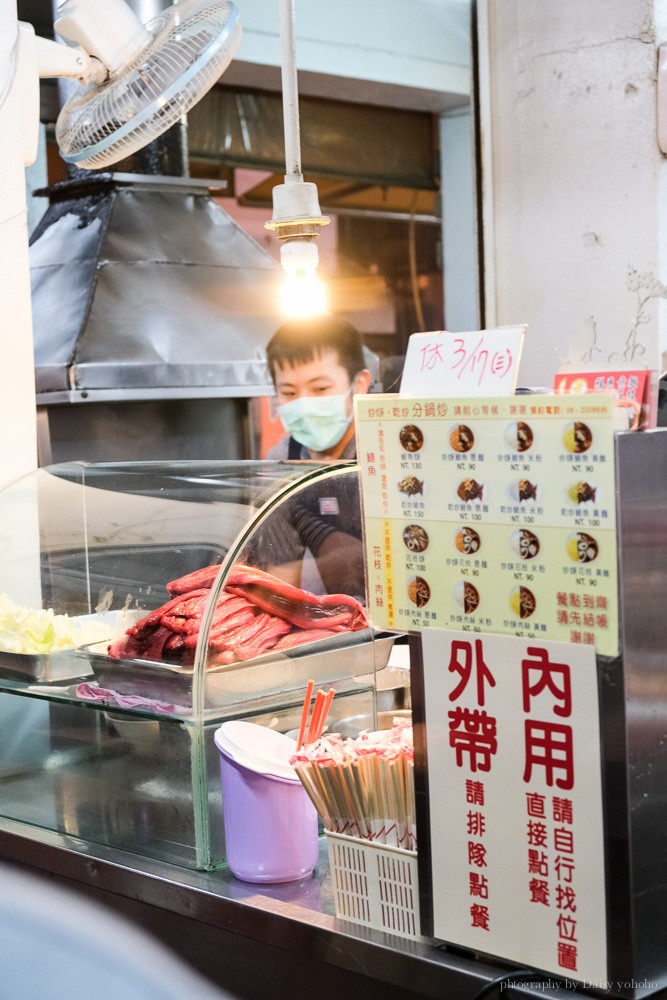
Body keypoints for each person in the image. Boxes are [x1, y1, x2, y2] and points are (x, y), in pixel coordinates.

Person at [264, 315, 372, 461]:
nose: (304, 407)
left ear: (359, 385)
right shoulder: (280, 460)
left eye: (320, 388)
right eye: (289, 392)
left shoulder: (384, 454)